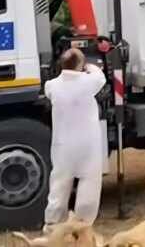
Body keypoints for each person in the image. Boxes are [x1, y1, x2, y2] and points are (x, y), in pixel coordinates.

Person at [44, 48, 107, 231]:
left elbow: (50, 92)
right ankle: (82, 225)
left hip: (63, 145)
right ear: (81, 65)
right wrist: (89, 66)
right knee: (90, 183)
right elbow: (100, 76)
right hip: (88, 144)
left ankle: (52, 225)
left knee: (59, 184)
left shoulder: (51, 85)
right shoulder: (90, 81)